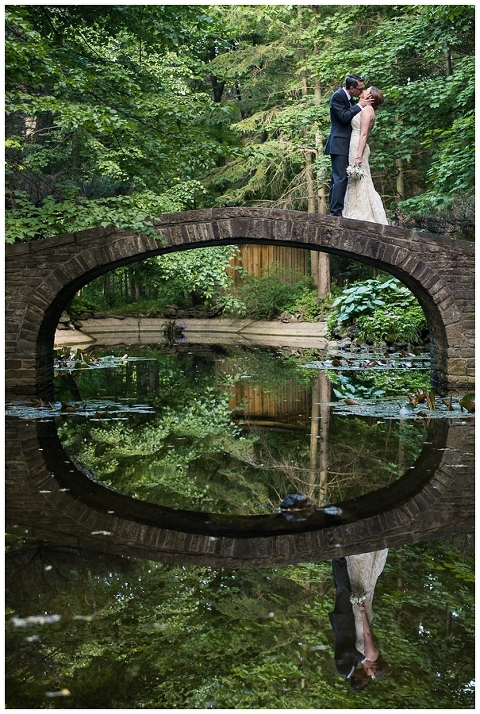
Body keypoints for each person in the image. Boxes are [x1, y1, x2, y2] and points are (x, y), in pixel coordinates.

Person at [325, 74, 374, 217]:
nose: (361, 91)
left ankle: (335, 211)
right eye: (360, 89)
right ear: (351, 88)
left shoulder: (351, 99)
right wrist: (359, 105)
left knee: (339, 179)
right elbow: (344, 117)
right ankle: (335, 213)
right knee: (340, 178)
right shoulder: (337, 97)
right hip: (339, 142)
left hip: (348, 144)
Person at [343, 86, 388, 224]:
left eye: (366, 91)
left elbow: (363, 134)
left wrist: (358, 156)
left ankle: (363, 213)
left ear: (371, 97)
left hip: (358, 147)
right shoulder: (364, 108)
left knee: (361, 179)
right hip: (355, 146)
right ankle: (354, 209)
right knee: (356, 179)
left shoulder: (368, 110)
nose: (363, 92)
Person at [347, 549, 391, 681]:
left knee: (364, 585)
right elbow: (366, 633)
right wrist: (362, 612)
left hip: (364, 618)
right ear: (375, 667)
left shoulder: (375, 655)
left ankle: (365, 556)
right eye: (369, 670)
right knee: (360, 583)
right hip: (361, 619)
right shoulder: (371, 655)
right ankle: (362, 554)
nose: (365, 669)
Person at [329, 558, 367, 684]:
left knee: (343, 590)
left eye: (364, 677)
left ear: (357, 678)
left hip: (343, 624)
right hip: (345, 624)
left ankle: (339, 558)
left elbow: (346, 651)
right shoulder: (352, 667)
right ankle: (336, 561)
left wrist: (363, 659)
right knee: (341, 589)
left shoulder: (343, 670)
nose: (365, 674)